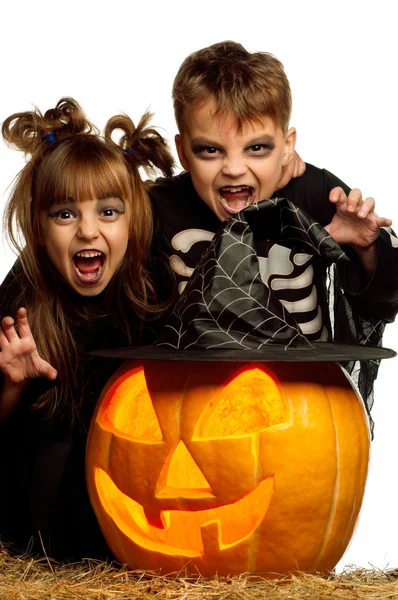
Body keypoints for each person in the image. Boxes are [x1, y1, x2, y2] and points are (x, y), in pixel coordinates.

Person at [149, 40, 398, 424]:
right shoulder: (157, 210)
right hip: (189, 408)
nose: (233, 168)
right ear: (182, 152)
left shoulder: (318, 195)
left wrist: (367, 247)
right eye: (210, 151)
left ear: (287, 146)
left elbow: (386, 299)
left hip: (303, 413)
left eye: (257, 148)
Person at [0, 97, 175, 560]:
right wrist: (10, 387)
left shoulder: (152, 289)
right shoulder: (20, 298)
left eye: (108, 212)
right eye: (65, 214)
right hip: (38, 528)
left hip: (133, 515)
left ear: (132, 219)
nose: (87, 231)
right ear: (39, 228)